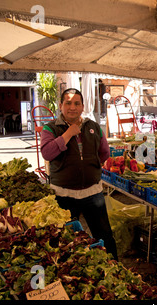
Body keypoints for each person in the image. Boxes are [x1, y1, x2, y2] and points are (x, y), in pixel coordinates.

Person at [40, 88, 118, 260]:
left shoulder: (94, 127)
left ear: (82, 107)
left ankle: (114, 267)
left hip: (93, 193)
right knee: (65, 241)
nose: (72, 107)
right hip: (63, 195)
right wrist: (67, 134)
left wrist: (90, 167)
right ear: (60, 106)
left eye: (76, 103)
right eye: (68, 103)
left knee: (104, 235)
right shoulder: (50, 128)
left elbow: (104, 152)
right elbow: (47, 153)